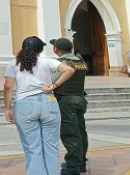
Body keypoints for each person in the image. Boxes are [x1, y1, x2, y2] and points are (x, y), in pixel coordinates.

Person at [4, 36, 75, 175]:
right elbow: (70, 70)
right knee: (51, 146)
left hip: (25, 104)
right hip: (48, 102)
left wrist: (7, 108)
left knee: (32, 147)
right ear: (41, 49)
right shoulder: (46, 61)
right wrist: (54, 86)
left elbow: (8, 86)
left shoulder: (13, 63)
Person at [50, 37, 89, 175]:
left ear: (56, 49)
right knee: (80, 132)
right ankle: (81, 162)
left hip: (66, 101)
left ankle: (72, 167)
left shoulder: (61, 63)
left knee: (70, 134)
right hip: (79, 99)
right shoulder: (81, 61)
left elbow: (51, 80)